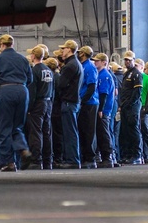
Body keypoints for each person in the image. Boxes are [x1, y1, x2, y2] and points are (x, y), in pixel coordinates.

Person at [0, 34, 33, 171]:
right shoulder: (23, 59)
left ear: (1, 45)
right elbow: (30, 79)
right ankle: (23, 149)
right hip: (23, 91)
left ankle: (8, 162)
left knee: (5, 127)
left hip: (6, 91)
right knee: (17, 126)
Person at [55, 39, 83, 169]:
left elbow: (61, 84)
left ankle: (72, 160)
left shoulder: (70, 66)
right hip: (74, 102)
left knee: (70, 132)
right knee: (72, 131)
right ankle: (72, 158)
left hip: (69, 102)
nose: (62, 51)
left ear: (70, 49)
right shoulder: (76, 64)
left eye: (64, 49)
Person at [26, 45, 54, 170]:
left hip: (37, 103)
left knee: (36, 132)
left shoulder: (34, 71)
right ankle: (48, 160)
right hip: (48, 102)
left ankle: (36, 160)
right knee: (46, 132)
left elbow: (32, 92)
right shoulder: (49, 70)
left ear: (33, 56)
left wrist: (29, 108)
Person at [117, 52, 144, 165]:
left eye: (129, 60)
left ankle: (137, 155)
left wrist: (129, 103)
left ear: (133, 60)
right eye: (125, 60)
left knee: (134, 130)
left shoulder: (136, 74)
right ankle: (129, 154)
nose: (127, 62)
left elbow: (137, 92)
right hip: (125, 106)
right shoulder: (126, 74)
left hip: (132, 107)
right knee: (126, 131)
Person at [93, 53, 118, 167]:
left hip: (104, 109)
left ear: (104, 62)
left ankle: (108, 157)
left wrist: (101, 109)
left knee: (104, 133)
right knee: (102, 132)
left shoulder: (105, 75)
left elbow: (104, 93)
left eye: (97, 61)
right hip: (102, 108)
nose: (95, 62)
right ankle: (105, 156)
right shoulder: (100, 74)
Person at [77, 45, 99, 168]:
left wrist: (83, 100)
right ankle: (86, 156)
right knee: (84, 130)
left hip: (90, 103)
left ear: (83, 54)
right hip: (86, 102)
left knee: (89, 131)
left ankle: (90, 158)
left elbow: (92, 86)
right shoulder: (84, 66)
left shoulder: (89, 67)